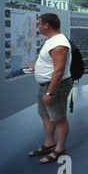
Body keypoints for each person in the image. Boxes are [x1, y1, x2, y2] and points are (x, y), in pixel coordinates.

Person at [28, 13, 73, 164]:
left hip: (55, 87)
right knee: (45, 115)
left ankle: (59, 149)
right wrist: (38, 66)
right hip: (46, 85)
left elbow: (59, 71)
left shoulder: (59, 43)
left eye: (39, 23)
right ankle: (49, 144)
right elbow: (50, 62)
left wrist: (50, 93)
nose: (38, 26)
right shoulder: (51, 40)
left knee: (59, 118)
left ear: (47, 26)